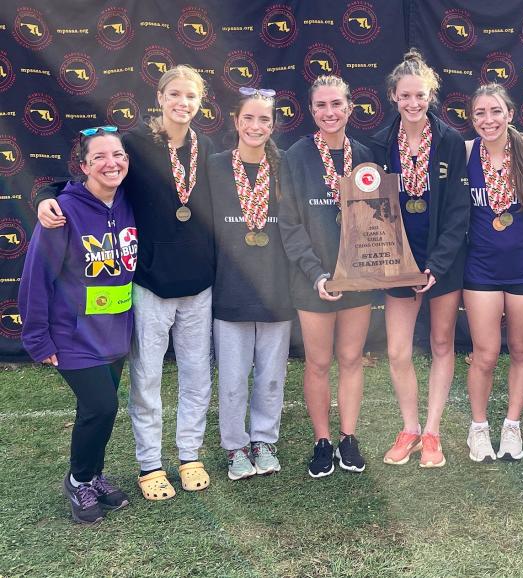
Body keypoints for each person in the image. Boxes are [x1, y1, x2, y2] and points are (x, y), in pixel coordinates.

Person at [38, 65, 215, 500]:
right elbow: (85, 182)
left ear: (200, 101)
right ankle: (150, 462)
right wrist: (44, 198)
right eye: (174, 94)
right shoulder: (133, 145)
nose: (182, 103)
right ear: (159, 96)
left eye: (190, 96)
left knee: (197, 377)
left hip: (198, 286)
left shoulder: (206, 146)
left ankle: (189, 453)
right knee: (146, 380)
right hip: (150, 284)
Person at [20, 127, 136, 523]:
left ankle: (94, 474)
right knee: (101, 407)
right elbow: (36, 277)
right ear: (84, 166)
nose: (111, 163)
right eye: (100, 157)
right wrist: (37, 337)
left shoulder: (129, 201)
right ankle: (79, 479)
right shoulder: (62, 213)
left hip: (115, 332)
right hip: (73, 335)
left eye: (117, 154)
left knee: (98, 410)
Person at [369, 49, 470, 468]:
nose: (414, 104)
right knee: (397, 351)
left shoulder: (448, 140)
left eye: (421, 96)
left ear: (431, 96)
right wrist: (390, 260)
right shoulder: (378, 141)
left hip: (440, 261)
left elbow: (458, 211)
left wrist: (439, 265)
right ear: (393, 95)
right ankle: (409, 427)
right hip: (397, 259)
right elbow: (370, 208)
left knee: (442, 343)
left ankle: (432, 432)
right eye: (406, 96)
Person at [279, 75, 378, 477]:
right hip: (313, 278)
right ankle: (322, 441)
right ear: (311, 110)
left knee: (352, 358)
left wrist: (373, 267)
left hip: (357, 279)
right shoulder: (296, 157)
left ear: (350, 108)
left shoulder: (366, 155)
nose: (330, 112)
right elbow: (289, 224)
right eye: (321, 105)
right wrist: (316, 273)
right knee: (318, 362)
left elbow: (377, 222)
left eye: (337, 104)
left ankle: (348, 438)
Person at [209, 88, 293, 481]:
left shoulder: (285, 167)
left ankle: (263, 439)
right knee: (232, 375)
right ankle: (235, 446)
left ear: (273, 125)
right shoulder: (213, 166)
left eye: (265, 120)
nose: (256, 126)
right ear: (236, 120)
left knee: (272, 374)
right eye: (249, 118)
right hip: (231, 286)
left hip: (276, 287)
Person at [462, 83, 523, 462]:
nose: (488, 119)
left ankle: (512, 426)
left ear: (509, 113)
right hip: (481, 267)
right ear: (472, 118)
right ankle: (478, 429)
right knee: (486, 352)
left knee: (522, 349)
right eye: (480, 113)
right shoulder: (465, 151)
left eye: (495, 111)